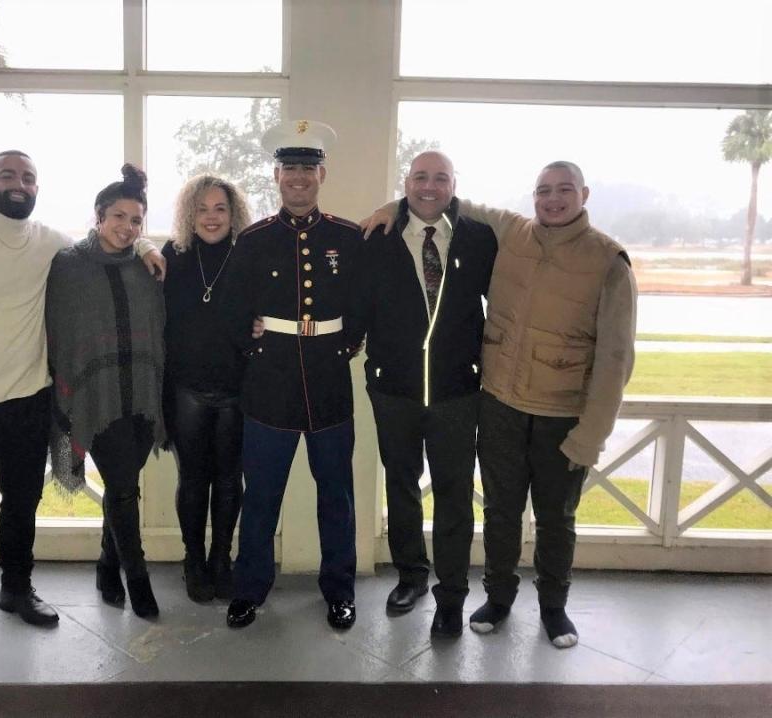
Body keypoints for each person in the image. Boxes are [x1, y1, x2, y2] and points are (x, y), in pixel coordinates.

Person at [363, 160, 637, 648]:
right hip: (497, 405)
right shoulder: (513, 234)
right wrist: (395, 207)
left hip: (551, 409)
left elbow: (616, 357)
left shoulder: (604, 259)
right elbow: (440, 205)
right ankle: (491, 596)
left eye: (564, 190)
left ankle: (544, 608)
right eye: (544, 191)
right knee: (499, 510)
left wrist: (591, 435)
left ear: (584, 194)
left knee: (553, 517)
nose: (553, 199)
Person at [0, 150, 162, 663]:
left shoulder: (50, 243)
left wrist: (150, 242)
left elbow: (110, 241)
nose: (18, 184)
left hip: (29, 402)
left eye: (27, 177)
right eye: (8, 175)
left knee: (22, 507)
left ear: (37, 187)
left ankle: (16, 591)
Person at [347, 151, 497, 637]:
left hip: (457, 392)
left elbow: (505, 304)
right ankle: (410, 575)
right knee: (402, 485)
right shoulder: (378, 236)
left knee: (455, 495)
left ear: (455, 184)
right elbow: (355, 308)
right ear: (405, 183)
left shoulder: (478, 238)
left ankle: (451, 594)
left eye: (440, 178)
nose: (429, 187)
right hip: (394, 390)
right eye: (420, 178)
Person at [221, 120, 364, 630]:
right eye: (290, 170)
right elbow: (232, 304)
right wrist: (249, 337)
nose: (299, 179)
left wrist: (349, 342)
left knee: (337, 497)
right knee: (260, 495)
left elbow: (364, 300)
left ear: (321, 174)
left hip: (328, 382)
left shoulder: (348, 237)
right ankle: (249, 589)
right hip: (270, 384)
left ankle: (340, 590)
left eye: (308, 169)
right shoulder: (256, 238)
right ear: (276, 176)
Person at [45, 164, 166, 620]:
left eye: (136, 221)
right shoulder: (69, 266)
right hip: (96, 400)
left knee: (122, 484)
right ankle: (138, 580)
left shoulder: (145, 265)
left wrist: (149, 245)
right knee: (121, 487)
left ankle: (105, 566)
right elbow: (60, 332)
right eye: (118, 216)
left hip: (141, 395)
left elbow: (158, 327)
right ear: (98, 216)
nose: (127, 227)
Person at [162, 175, 252, 602]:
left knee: (231, 480)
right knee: (193, 479)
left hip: (238, 390)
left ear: (233, 215)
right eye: (203, 209)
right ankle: (193, 560)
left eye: (220, 209)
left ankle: (222, 559)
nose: (212, 217)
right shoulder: (172, 256)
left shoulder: (249, 255)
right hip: (187, 390)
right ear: (188, 214)